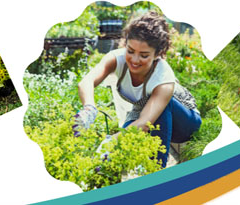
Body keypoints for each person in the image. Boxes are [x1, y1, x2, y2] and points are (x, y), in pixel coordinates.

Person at [74, 11, 201, 168]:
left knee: (123, 138)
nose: (134, 60)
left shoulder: (163, 78)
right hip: (144, 112)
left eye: (144, 55)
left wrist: (110, 142)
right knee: (119, 149)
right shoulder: (116, 59)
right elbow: (86, 82)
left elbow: (145, 124)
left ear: (158, 54)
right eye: (131, 51)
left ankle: (156, 172)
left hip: (184, 122)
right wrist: (89, 108)